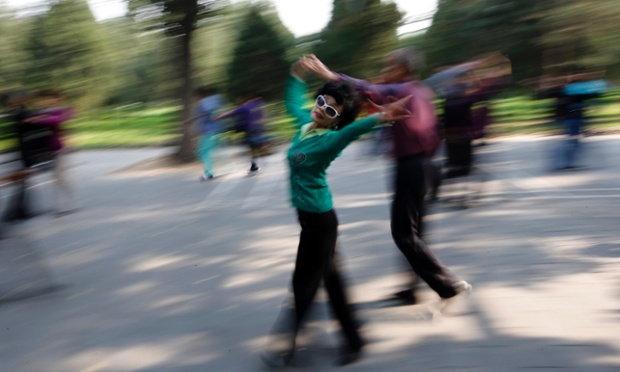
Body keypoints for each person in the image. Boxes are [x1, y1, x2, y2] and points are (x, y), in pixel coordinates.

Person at [260, 58, 412, 368]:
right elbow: (292, 103)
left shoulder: (330, 139)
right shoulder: (305, 124)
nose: (321, 110)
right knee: (332, 282)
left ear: (336, 120)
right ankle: (355, 340)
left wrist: (382, 117)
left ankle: (285, 346)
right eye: (321, 102)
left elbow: (352, 131)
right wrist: (294, 76)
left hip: (319, 222)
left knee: (303, 282)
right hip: (312, 219)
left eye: (330, 110)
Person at [301, 50, 472, 308]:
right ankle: (411, 288)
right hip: (427, 165)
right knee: (415, 233)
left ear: (404, 69)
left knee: (403, 234)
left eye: (390, 65)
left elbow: (365, 89)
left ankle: (449, 286)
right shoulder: (421, 91)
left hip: (411, 167)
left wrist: (329, 75)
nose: (387, 70)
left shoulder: (403, 88)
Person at [26, 89, 76, 216]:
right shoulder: (40, 112)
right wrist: (39, 118)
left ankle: (63, 207)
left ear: (58, 99)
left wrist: (42, 119)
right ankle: (69, 203)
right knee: (59, 178)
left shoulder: (64, 110)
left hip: (58, 148)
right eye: (43, 99)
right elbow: (29, 120)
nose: (45, 101)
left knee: (58, 178)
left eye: (50, 98)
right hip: (45, 149)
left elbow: (59, 120)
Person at [213, 94, 270, 175]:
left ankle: (254, 165)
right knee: (254, 146)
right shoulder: (257, 105)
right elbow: (262, 116)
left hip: (250, 130)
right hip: (259, 128)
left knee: (251, 147)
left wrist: (217, 117)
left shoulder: (245, 107)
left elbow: (231, 113)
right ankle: (255, 164)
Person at [188, 86, 225, 181]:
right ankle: (212, 170)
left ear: (199, 95)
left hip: (208, 132)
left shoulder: (202, 104)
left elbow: (203, 117)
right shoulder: (214, 101)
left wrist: (195, 125)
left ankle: (209, 173)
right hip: (214, 130)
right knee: (206, 152)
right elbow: (209, 114)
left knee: (203, 152)